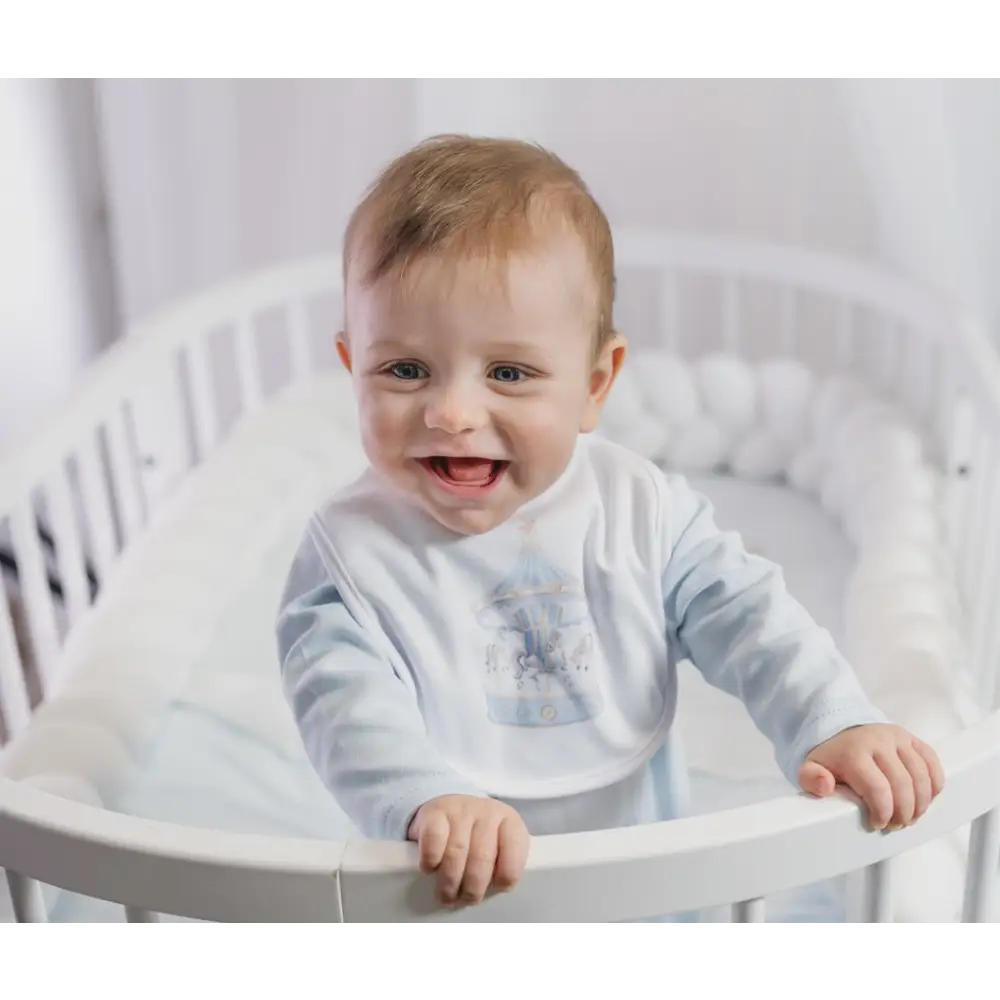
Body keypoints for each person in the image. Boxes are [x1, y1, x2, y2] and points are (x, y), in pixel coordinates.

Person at [275, 134, 944, 918]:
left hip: (644, 886)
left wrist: (831, 720)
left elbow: (751, 616)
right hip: (446, 888)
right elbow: (343, 709)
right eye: (405, 370)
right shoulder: (351, 556)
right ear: (353, 366)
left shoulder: (640, 511)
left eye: (509, 373)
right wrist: (428, 798)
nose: (452, 413)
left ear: (595, 386)